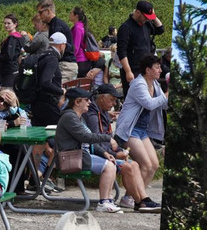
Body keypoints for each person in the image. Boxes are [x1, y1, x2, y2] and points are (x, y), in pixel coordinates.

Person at [84, 83, 158, 212]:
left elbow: (109, 141)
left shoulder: (104, 113)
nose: (114, 103)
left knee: (134, 164)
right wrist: (115, 154)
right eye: (111, 100)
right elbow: (94, 143)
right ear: (101, 98)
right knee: (129, 166)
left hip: (107, 153)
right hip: (98, 155)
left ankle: (142, 200)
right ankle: (141, 202)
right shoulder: (92, 115)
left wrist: (119, 151)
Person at [52, 87, 126, 213]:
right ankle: (103, 202)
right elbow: (86, 137)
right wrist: (108, 138)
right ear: (77, 102)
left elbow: (88, 140)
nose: (90, 102)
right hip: (70, 159)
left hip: (80, 156)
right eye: (86, 100)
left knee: (111, 163)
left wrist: (104, 153)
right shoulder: (69, 117)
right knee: (108, 166)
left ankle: (107, 200)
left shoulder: (79, 117)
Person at [114, 54, 165, 211]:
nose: (160, 70)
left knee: (154, 165)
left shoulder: (155, 84)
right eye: (157, 67)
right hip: (130, 130)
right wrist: (166, 96)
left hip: (143, 130)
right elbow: (149, 104)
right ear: (148, 70)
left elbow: (163, 104)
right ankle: (141, 200)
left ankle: (131, 197)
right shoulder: (138, 84)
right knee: (145, 164)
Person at [116, 0, 164, 86]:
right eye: (145, 17)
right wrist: (128, 71)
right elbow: (121, 51)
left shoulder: (147, 25)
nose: (147, 19)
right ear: (138, 12)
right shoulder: (126, 27)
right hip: (133, 69)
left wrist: (153, 16)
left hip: (146, 68)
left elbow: (160, 29)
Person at [37, 0, 77, 83]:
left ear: (48, 11)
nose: (39, 16)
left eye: (40, 12)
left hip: (65, 65)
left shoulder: (56, 27)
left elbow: (57, 49)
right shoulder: (55, 24)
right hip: (67, 64)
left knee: (57, 91)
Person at [0, 14, 26, 89]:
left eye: (8, 23)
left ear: (15, 24)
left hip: (8, 71)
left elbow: (9, 56)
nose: (6, 25)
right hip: (14, 68)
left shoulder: (12, 38)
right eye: (5, 23)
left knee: (6, 94)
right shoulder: (19, 37)